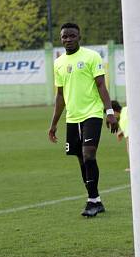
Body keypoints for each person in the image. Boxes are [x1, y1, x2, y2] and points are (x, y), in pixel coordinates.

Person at [48, 23, 118, 217]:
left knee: (89, 155)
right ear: (61, 39)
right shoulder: (59, 63)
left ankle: (91, 202)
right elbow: (60, 96)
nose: (68, 39)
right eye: (64, 36)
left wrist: (109, 111)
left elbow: (101, 85)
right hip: (72, 118)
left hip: (93, 114)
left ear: (79, 37)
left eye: (72, 36)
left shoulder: (91, 56)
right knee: (81, 159)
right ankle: (95, 199)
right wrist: (53, 124)